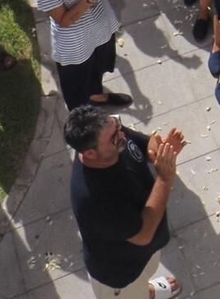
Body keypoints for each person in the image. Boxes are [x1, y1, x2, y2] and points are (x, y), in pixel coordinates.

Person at [65, 105, 185, 299]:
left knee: (146, 274)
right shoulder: (95, 199)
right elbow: (143, 234)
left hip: (142, 256)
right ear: (90, 154)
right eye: (114, 137)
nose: (122, 135)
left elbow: (142, 143)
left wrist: (160, 150)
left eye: (117, 125)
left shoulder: (113, 137)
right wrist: (165, 178)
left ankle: (148, 292)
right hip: (119, 272)